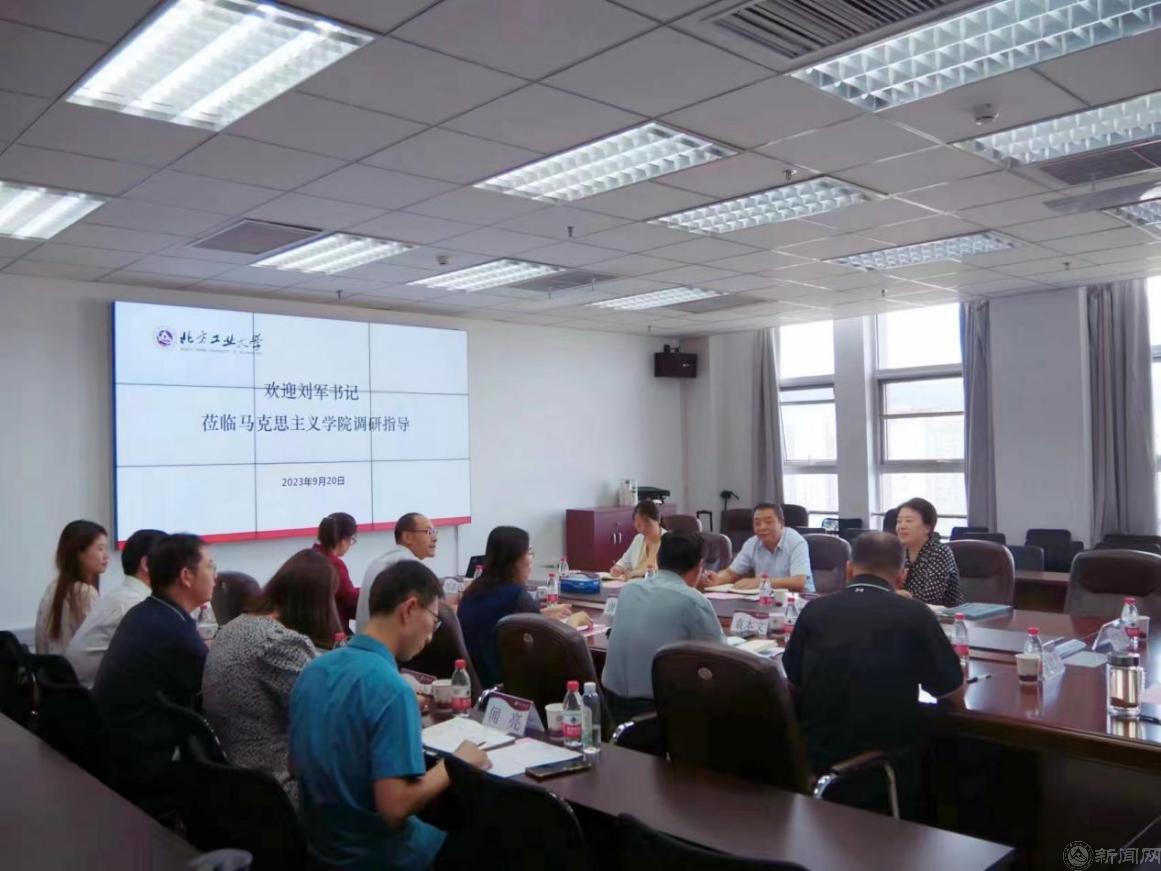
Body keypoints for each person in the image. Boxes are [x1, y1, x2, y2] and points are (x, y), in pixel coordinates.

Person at [290, 560, 490, 870]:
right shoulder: (392, 689)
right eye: (434, 619)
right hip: (378, 857)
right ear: (410, 609)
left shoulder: (313, 670)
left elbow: (295, 765)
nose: (432, 635)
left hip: (319, 851)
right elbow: (395, 807)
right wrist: (456, 764)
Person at [782, 532, 964, 815]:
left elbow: (792, 685)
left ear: (849, 569)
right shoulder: (915, 615)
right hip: (879, 766)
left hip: (813, 757)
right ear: (902, 576)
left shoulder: (813, 611)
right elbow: (952, 692)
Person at [93, 533, 216, 811]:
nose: (215, 576)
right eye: (210, 567)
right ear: (186, 576)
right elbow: (218, 699)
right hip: (143, 766)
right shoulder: (173, 631)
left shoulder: (145, 613)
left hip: (113, 754)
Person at [202, 549, 334, 804]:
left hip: (238, 781)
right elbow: (327, 716)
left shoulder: (235, 626)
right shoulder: (279, 642)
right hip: (280, 790)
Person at [602, 531, 724, 723]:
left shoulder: (628, 590)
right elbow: (721, 658)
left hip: (611, 703)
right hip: (657, 712)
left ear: (658, 560)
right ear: (700, 566)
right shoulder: (693, 601)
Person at [457, 526, 590, 689]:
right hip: (511, 689)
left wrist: (540, 614)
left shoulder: (472, 591)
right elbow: (552, 652)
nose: (532, 558)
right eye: (529, 552)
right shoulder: (516, 596)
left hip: (478, 686)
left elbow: (496, 619)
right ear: (514, 559)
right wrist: (571, 624)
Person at [66, 528, 166, 687]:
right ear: (146, 564)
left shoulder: (119, 596)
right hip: (94, 696)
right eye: (170, 562)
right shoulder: (136, 605)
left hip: (78, 692)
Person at [35, 520, 109, 655]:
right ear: (79, 553)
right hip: (75, 668)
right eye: (100, 549)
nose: (106, 556)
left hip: (50, 668)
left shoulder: (53, 587)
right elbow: (97, 647)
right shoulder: (85, 593)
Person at [356, 513, 438, 633]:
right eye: (429, 532)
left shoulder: (378, 561)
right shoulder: (410, 566)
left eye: (435, 532)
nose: (435, 538)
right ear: (407, 537)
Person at [706, 503, 814, 592]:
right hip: (766, 598)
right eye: (757, 523)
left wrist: (762, 582)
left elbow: (799, 581)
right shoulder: (752, 543)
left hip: (799, 599)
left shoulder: (796, 542)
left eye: (768, 522)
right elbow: (731, 573)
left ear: (781, 523)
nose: (762, 527)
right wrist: (718, 579)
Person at [895, 498, 965, 607]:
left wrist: (896, 595)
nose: (902, 526)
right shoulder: (899, 552)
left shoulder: (940, 552)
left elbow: (931, 597)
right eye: (899, 521)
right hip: (907, 611)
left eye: (909, 521)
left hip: (945, 614)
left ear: (927, 528)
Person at [315, 512, 359, 630]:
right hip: (332, 632)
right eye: (351, 540)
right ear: (343, 541)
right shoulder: (334, 564)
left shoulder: (310, 555)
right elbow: (351, 600)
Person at [609, 500, 667, 579]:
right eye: (638, 525)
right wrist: (618, 568)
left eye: (647, 525)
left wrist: (637, 573)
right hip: (635, 582)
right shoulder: (638, 538)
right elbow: (626, 561)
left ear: (658, 520)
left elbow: (667, 571)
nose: (642, 529)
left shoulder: (669, 541)